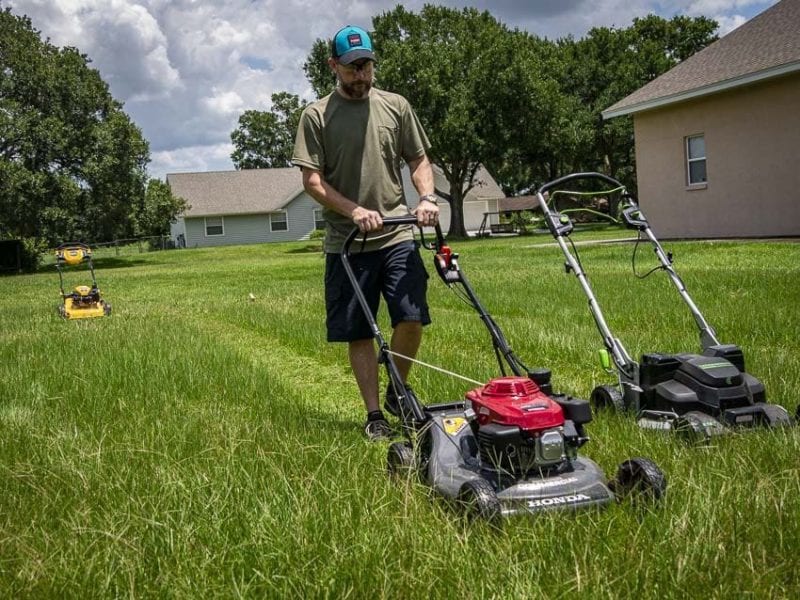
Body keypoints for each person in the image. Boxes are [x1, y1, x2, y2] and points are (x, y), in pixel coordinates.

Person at [292, 24, 439, 441]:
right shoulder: (316, 115)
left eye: (367, 65)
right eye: (353, 67)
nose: (361, 75)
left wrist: (426, 198)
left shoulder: (396, 106)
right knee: (359, 330)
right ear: (333, 66)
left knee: (411, 316)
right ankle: (375, 415)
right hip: (346, 242)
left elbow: (419, 159)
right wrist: (354, 210)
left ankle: (397, 389)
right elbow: (312, 182)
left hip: (396, 233)